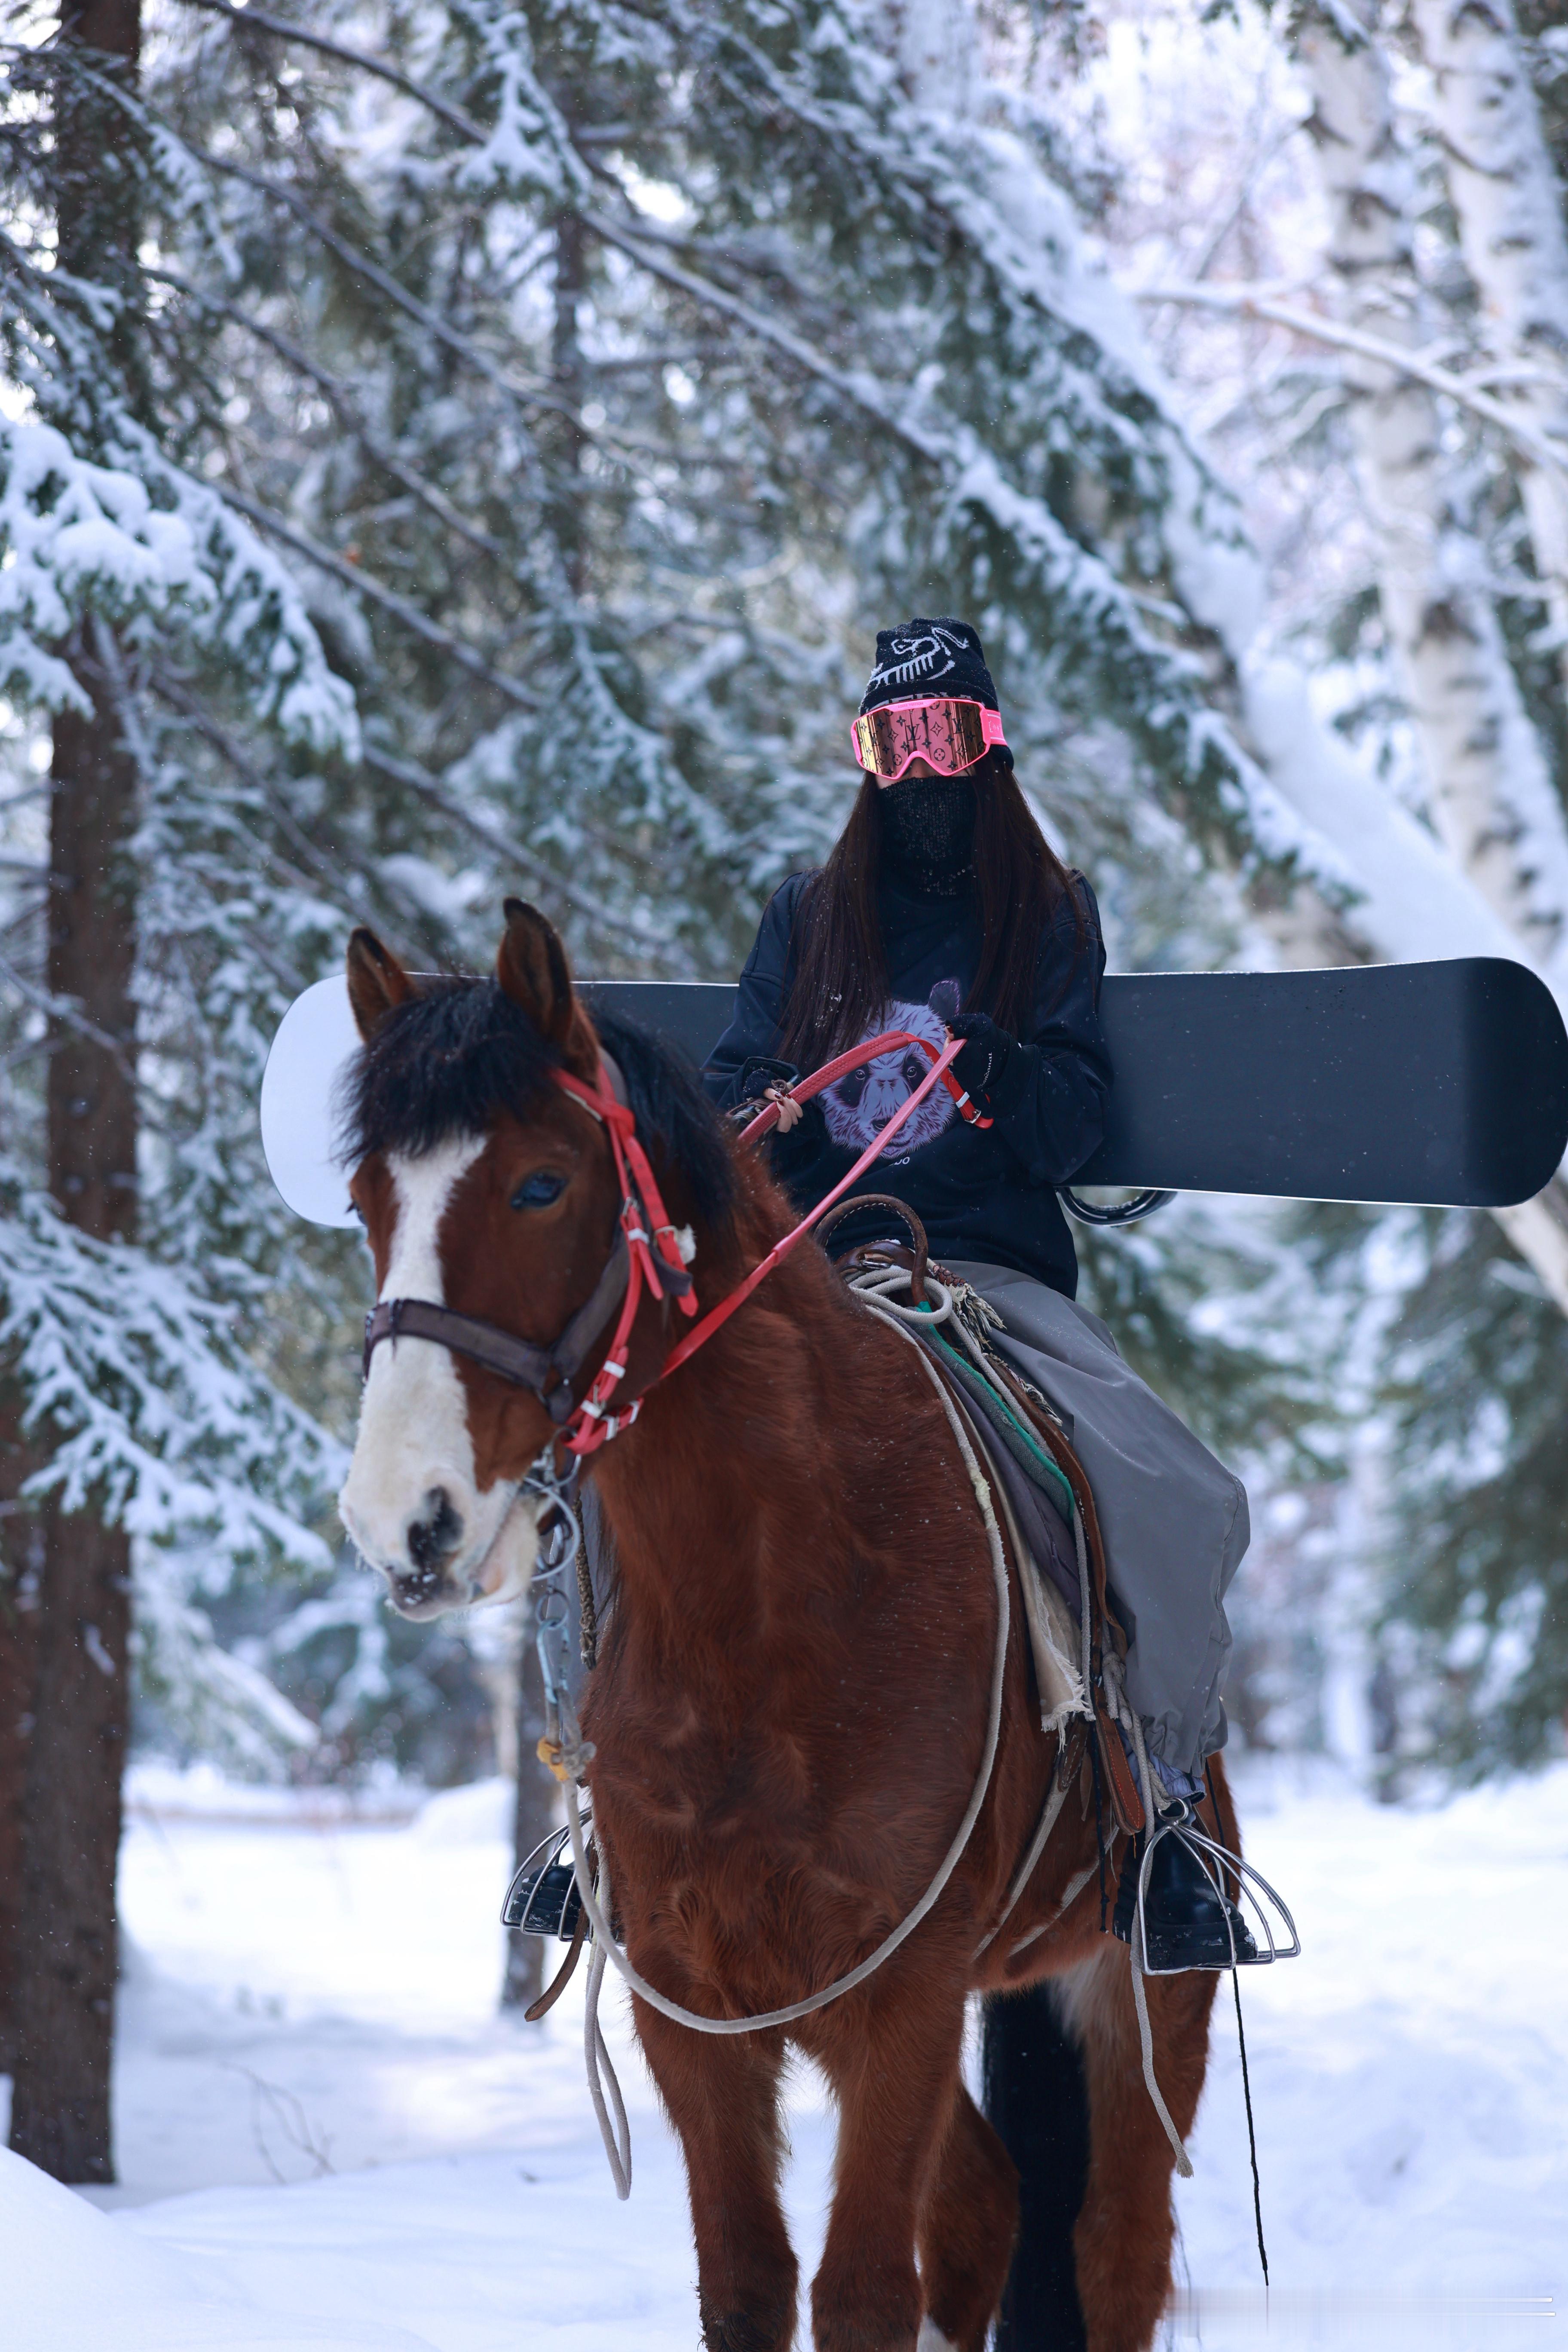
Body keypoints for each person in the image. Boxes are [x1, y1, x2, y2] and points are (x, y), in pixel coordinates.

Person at [703, 617, 1257, 1969]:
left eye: (945, 738)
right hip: (822, 1279)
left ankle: (1164, 1815)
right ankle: (603, 1819)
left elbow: (1073, 1131)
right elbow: (726, 1103)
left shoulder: (1045, 910)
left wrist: (1007, 1071)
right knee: (641, 1459)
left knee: (1176, 1494)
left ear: (990, 750)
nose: (920, 773)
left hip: (987, 1279)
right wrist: (761, 1113)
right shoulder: (807, 914)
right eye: (893, 743)